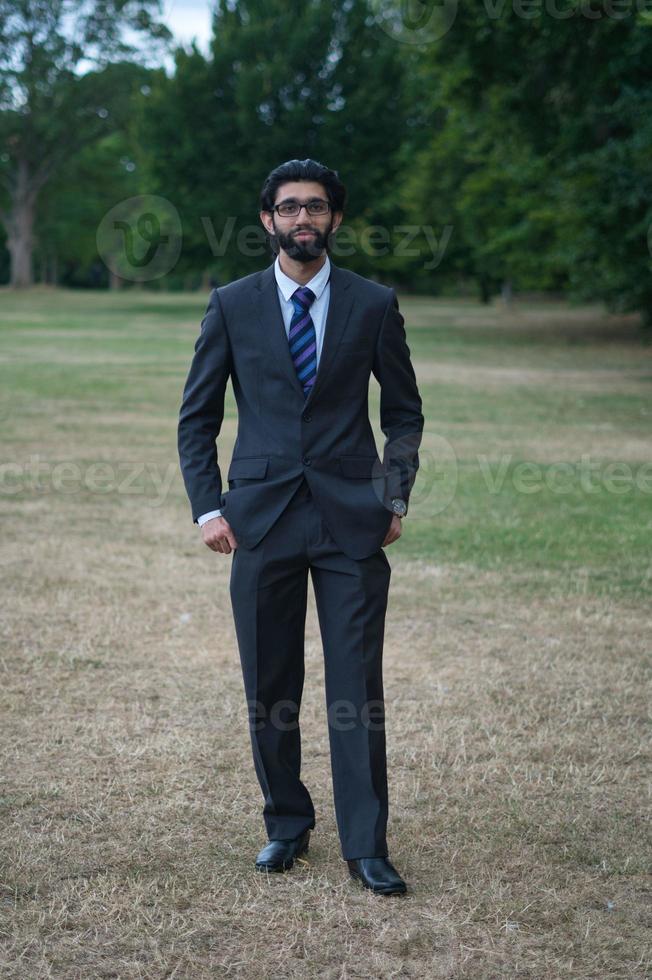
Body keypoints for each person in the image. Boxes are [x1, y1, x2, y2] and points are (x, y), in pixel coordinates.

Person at [178, 158, 423, 896]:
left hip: (353, 521)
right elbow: (198, 418)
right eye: (289, 208)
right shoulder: (233, 304)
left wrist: (396, 496)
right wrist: (209, 506)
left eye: (316, 207)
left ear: (335, 219)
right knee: (270, 684)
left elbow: (404, 412)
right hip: (261, 519)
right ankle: (286, 824)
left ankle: (365, 845)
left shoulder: (373, 304)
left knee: (356, 689)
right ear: (267, 220)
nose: (303, 219)